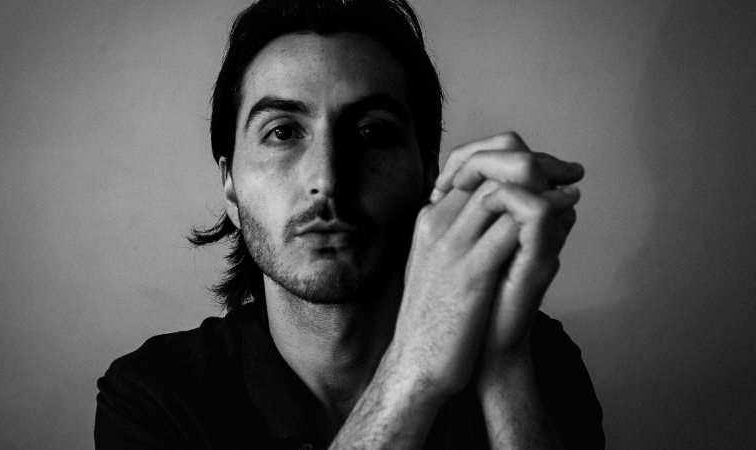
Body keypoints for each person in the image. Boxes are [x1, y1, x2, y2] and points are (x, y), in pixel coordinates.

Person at [94, 0, 604, 448]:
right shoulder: (154, 397)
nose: (327, 178)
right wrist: (413, 372)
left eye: (371, 132)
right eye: (282, 132)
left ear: (428, 174)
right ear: (230, 187)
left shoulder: (535, 356)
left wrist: (504, 368)